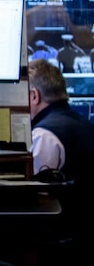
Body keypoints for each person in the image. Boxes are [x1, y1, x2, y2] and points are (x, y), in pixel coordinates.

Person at [28, 58, 94, 254]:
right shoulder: (83, 123)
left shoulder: (44, 135)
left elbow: (37, 197)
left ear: (34, 96)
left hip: (64, 239)